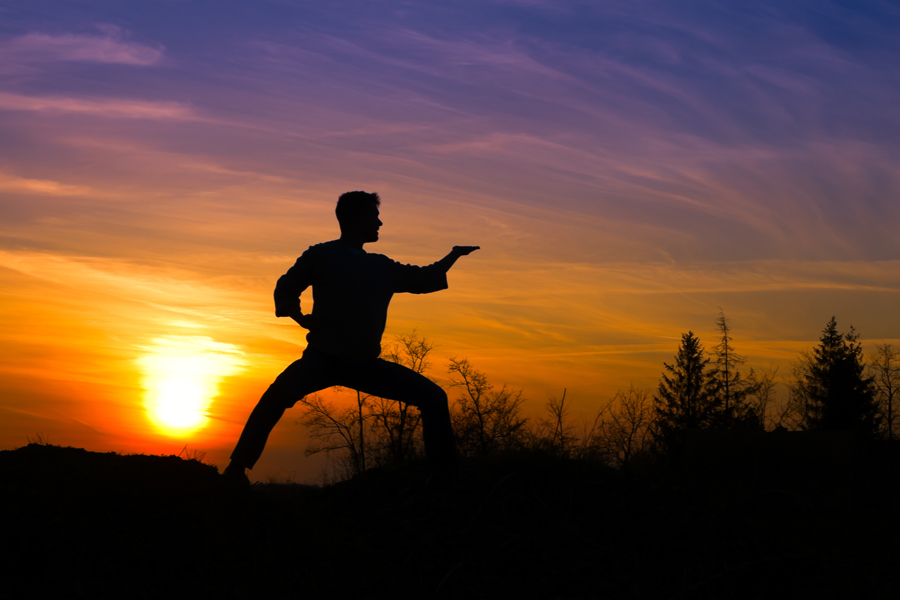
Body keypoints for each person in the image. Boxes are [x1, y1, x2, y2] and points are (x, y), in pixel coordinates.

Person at [223, 191, 479, 483]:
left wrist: (454, 255)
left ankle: (446, 475)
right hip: (322, 359)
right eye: (374, 216)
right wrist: (301, 318)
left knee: (434, 397)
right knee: (274, 398)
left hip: (365, 365)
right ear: (357, 218)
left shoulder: (381, 266)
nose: (380, 223)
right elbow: (286, 287)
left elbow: (424, 278)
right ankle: (236, 469)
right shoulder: (321, 255)